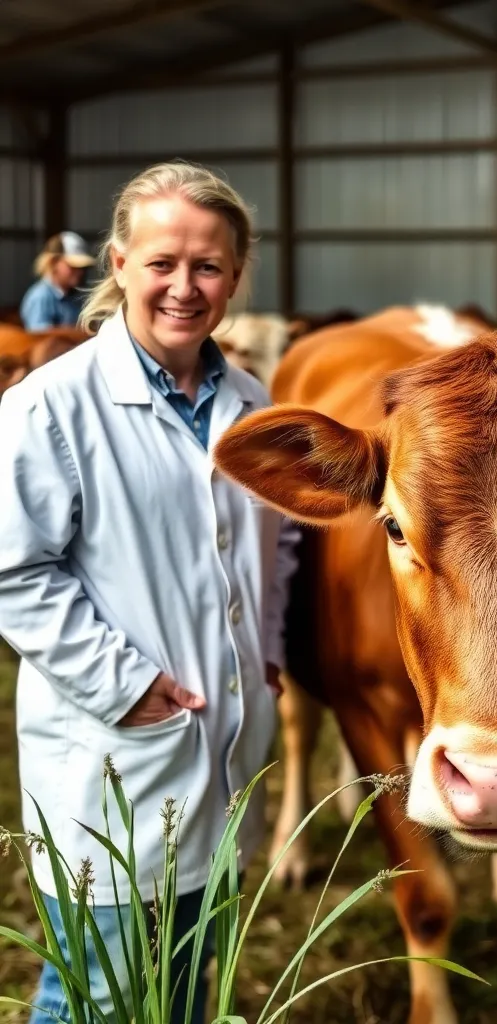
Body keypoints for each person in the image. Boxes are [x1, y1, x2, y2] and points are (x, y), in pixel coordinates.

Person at [0, 161, 300, 1024]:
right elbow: (13, 570)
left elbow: (274, 553)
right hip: (112, 757)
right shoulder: (53, 405)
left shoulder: (249, 401)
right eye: (163, 261)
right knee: (95, 996)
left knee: (184, 991)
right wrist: (124, 685)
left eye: (208, 266)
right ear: (120, 263)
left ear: (235, 277)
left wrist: (269, 653)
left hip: (222, 756)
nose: (184, 286)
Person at [19, 231, 96, 330]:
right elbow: (39, 338)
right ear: (54, 263)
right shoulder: (41, 297)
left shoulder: (77, 296)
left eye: (83, 268)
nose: (80, 272)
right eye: (73, 266)